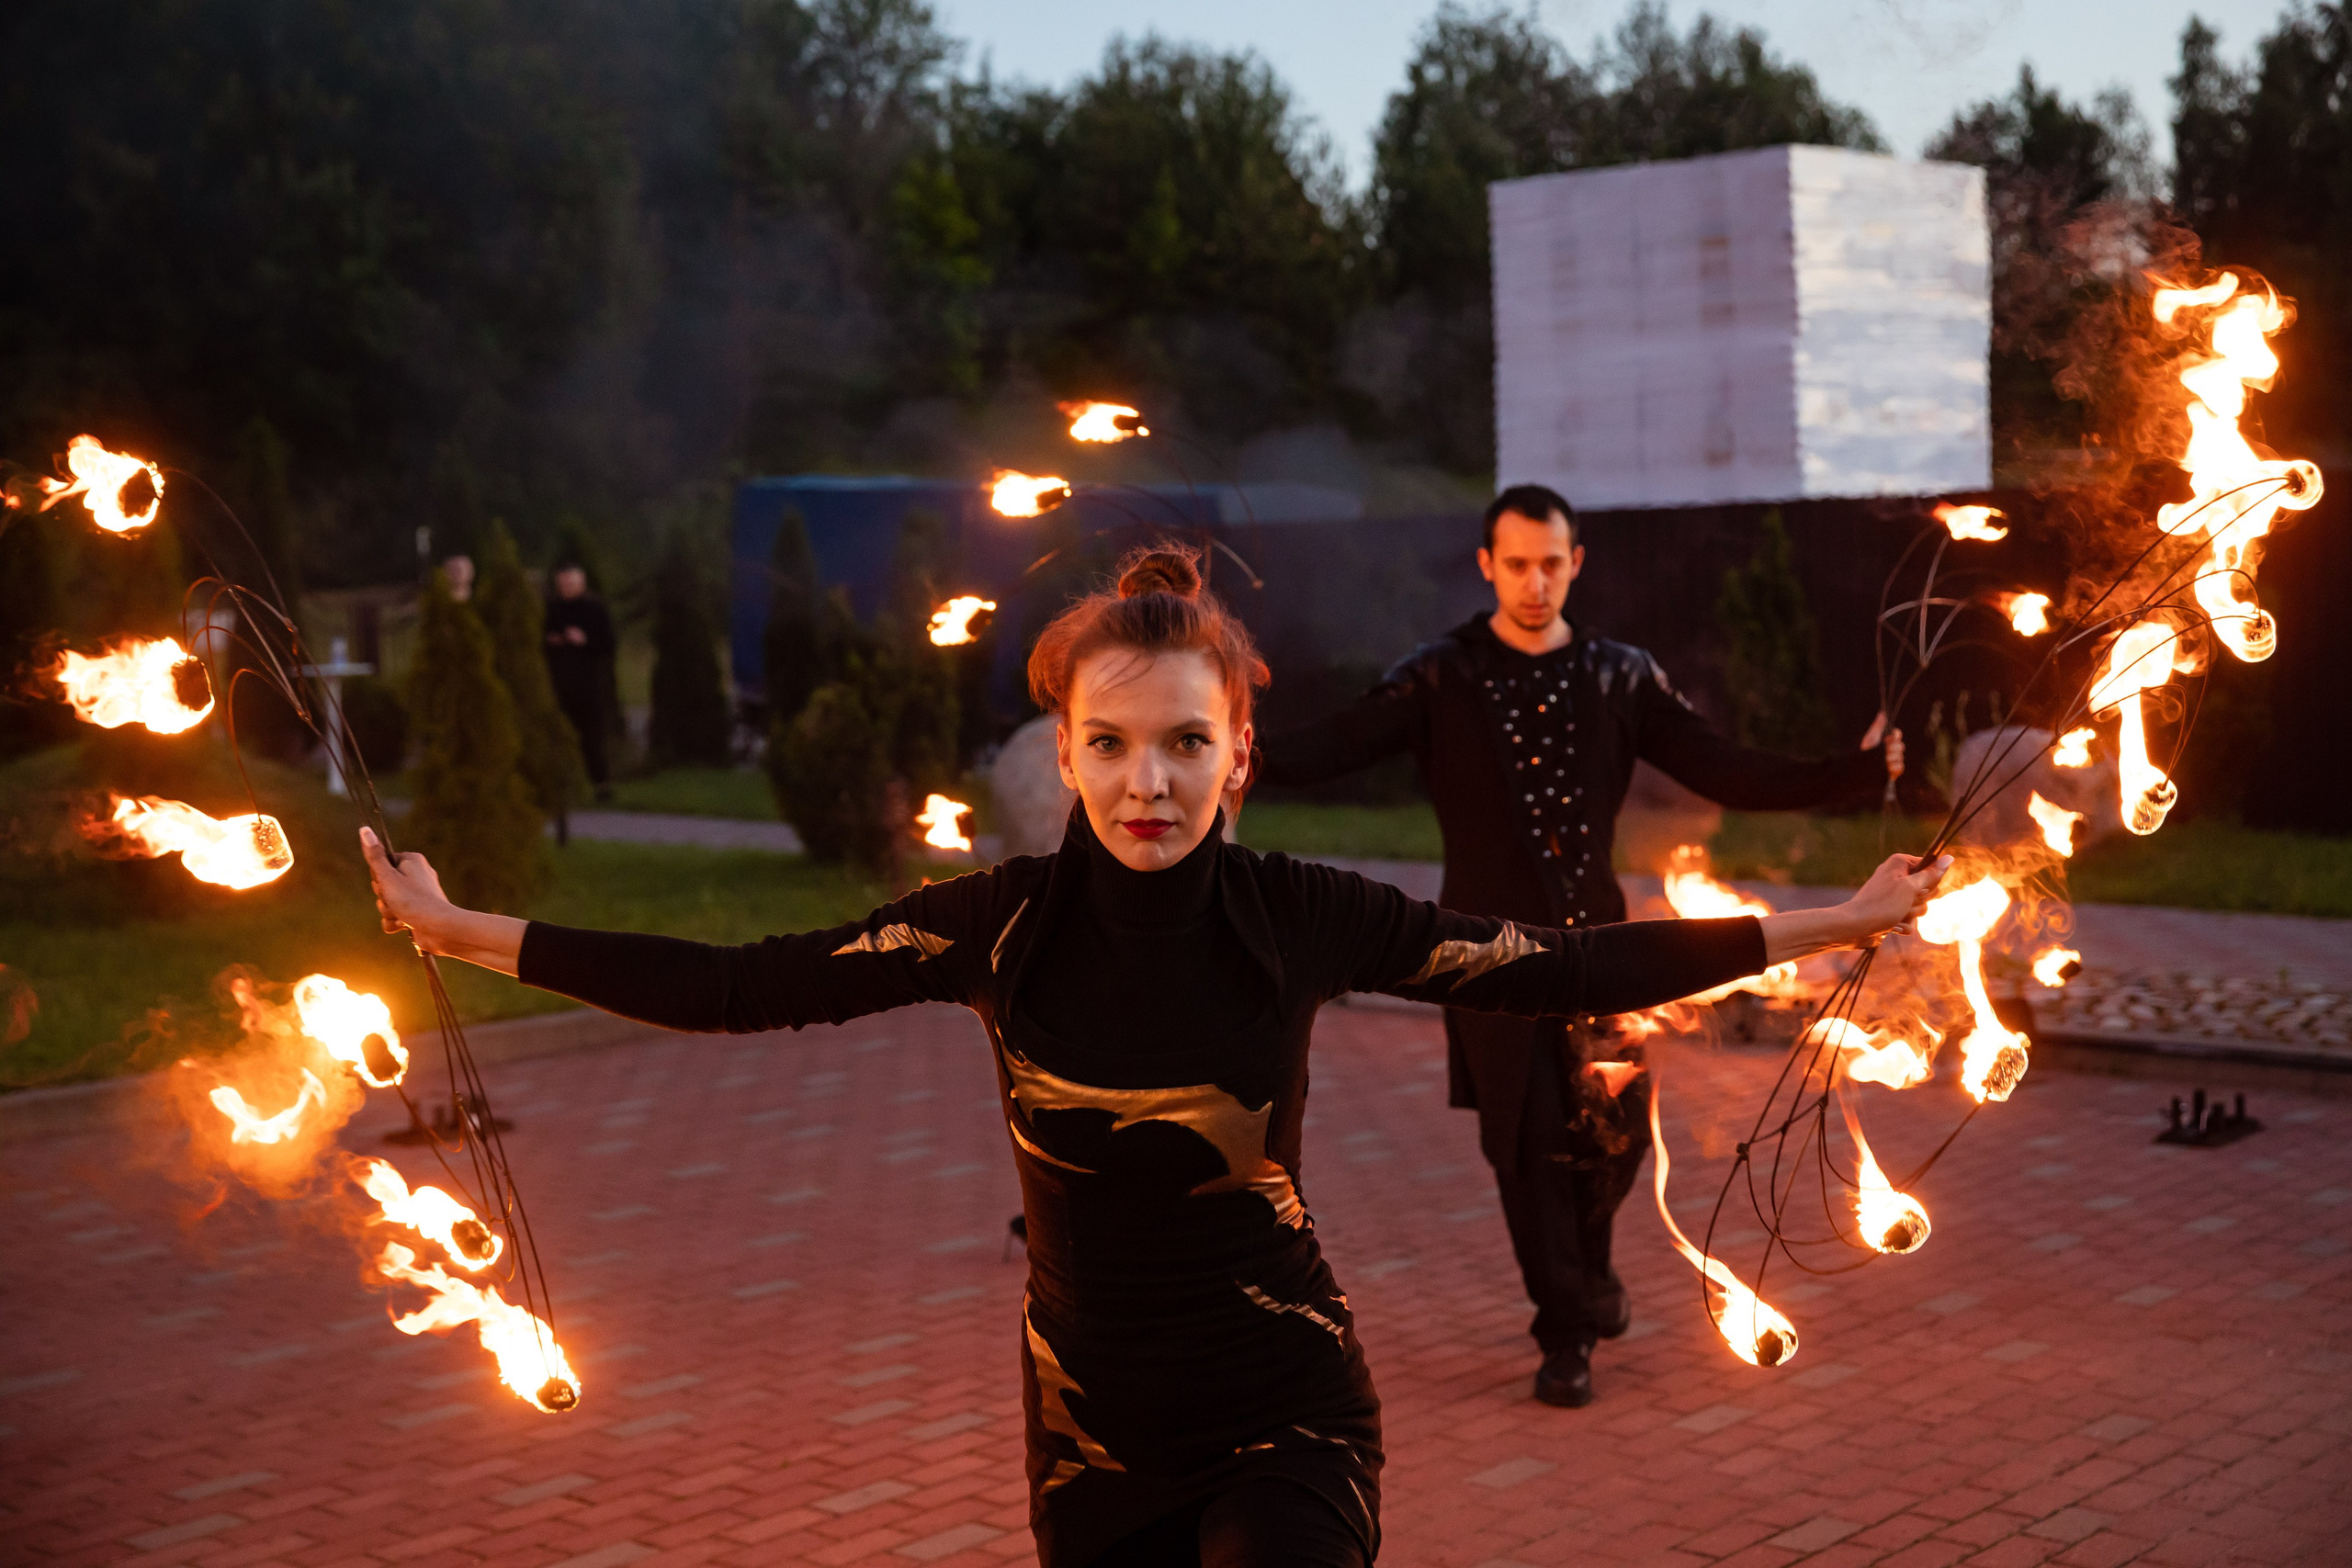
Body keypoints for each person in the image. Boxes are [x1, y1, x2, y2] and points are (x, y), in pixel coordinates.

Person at [361, 545, 1944, 1568]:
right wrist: (475, 933)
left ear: (1239, 753)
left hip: (1287, 1414)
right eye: (1111, 744)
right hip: (1090, 1439)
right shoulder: (999, 926)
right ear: (1065, 756)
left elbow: (1566, 963)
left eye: (1187, 742)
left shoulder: (1300, 913)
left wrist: (1832, 918)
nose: (1148, 780)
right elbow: (741, 984)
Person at [1255, 485, 1905, 1410]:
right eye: (1515, 564)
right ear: (1487, 566)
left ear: (1576, 563)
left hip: (1604, 950)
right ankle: (1563, 1332)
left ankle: (1591, 1281)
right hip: (1481, 953)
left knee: (1614, 1141)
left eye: (1550, 563)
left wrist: (1849, 770)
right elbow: (1331, 746)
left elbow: (1721, 765)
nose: (1533, 582)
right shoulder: (1439, 675)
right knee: (1525, 1151)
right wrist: (1227, 746)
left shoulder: (1619, 675)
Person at [542, 561, 616, 801]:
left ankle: (601, 784)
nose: (567, 587)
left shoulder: (594, 608)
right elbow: (539, 639)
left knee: (591, 736)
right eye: (563, 583)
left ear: (581, 582)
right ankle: (561, 785)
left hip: (588, 683)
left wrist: (584, 640)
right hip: (558, 681)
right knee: (558, 736)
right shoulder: (552, 608)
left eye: (571, 582)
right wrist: (552, 640)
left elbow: (608, 644)